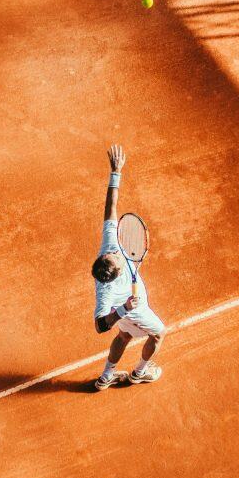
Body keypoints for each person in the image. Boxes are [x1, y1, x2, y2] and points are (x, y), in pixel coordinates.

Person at [90, 145, 166, 391]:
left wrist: (116, 172)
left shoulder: (109, 247)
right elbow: (101, 325)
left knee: (124, 336)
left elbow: (110, 209)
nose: (117, 253)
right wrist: (124, 309)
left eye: (112, 254)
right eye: (117, 258)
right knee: (159, 334)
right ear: (117, 273)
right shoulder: (106, 291)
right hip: (134, 311)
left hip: (124, 313)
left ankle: (106, 377)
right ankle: (139, 373)